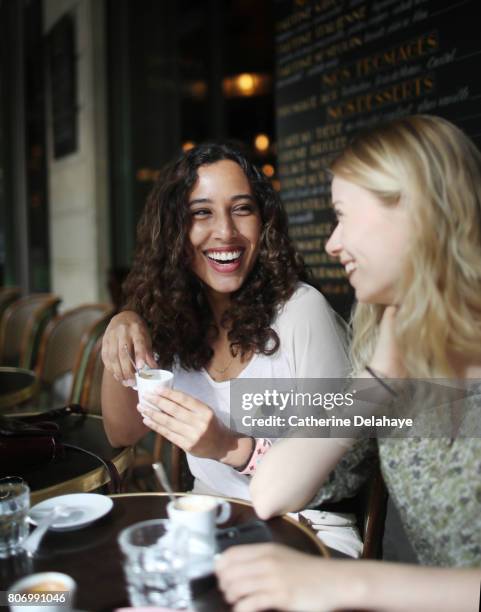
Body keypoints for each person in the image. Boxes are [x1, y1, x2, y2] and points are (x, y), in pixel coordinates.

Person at [216, 115, 481, 612]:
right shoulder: (394, 348)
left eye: (343, 215)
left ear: (416, 211)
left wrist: (343, 584)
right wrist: (374, 381)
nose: (331, 243)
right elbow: (274, 491)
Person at [101, 142, 374, 522]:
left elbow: (337, 472)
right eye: (202, 213)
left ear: (264, 220)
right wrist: (122, 324)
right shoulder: (170, 319)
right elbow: (122, 433)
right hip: (205, 517)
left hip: (305, 525)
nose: (226, 232)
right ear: (173, 232)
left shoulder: (301, 312)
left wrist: (227, 447)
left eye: (242, 209)